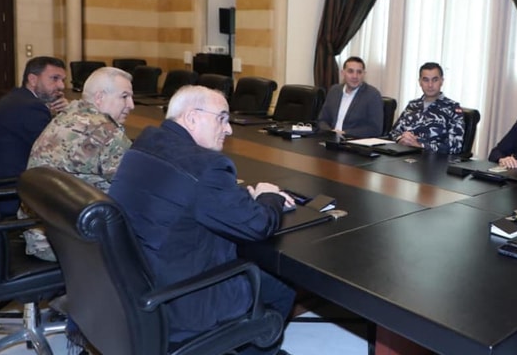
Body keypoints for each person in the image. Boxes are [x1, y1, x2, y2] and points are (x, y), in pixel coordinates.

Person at [109, 85, 296, 355]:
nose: (229, 129)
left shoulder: (144, 143)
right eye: (221, 118)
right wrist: (270, 196)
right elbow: (258, 225)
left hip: (134, 286)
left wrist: (236, 198)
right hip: (184, 302)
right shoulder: (207, 166)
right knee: (282, 284)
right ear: (192, 117)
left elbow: (188, 197)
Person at [23, 66, 134, 261]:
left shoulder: (68, 114)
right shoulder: (107, 132)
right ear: (99, 97)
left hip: (37, 230)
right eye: (124, 97)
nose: (131, 105)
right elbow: (138, 187)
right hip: (67, 242)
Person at [0, 56, 68, 216]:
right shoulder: (31, 107)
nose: (61, 86)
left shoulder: (17, 98)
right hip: (9, 193)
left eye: (63, 80)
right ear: (33, 79)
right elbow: (60, 152)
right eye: (54, 78)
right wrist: (68, 113)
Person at [388, 62, 464, 154]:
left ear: (442, 81)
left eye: (435, 80)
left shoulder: (453, 108)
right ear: (420, 82)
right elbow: (393, 133)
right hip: (405, 156)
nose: (430, 85)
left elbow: (455, 146)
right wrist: (401, 139)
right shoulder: (412, 105)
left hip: (434, 159)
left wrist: (420, 145)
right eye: (426, 80)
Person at [317, 56, 383, 138]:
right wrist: (330, 132)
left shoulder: (372, 95)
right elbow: (322, 120)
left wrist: (344, 133)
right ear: (343, 73)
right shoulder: (334, 91)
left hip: (352, 142)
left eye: (359, 72)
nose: (355, 76)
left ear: (364, 74)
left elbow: (375, 129)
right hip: (329, 139)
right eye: (350, 71)